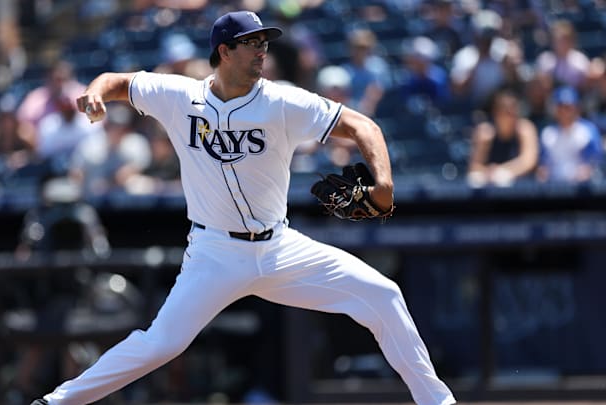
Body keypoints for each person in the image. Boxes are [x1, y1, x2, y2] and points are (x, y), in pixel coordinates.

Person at [31, 10, 456, 405]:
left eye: (264, 42)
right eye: (251, 42)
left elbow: (362, 125)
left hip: (280, 249)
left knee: (383, 295)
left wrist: (383, 181)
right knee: (161, 344)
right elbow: (116, 81)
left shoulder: (283, 101)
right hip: (215, 254)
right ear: (224, 51)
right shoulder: (179, 95)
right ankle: (57, 402)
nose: (261, 50)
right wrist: (93, 94)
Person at [467, 88, 540, 187]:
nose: (510, 114)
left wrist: (501, 171)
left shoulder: (525, 129)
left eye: (513, 109)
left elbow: (528, 162)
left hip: (521, 186)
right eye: (504, 110)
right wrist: (489, 172)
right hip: (490, 183)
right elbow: (474, 167)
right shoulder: (485, 132)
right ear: (495, 112)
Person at [536, 85, 603, 183]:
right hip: (553, 188)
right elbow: (542, 165)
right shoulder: (548, 133)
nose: (564, 112)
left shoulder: (588, 130)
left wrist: (589, 169)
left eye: (568, 107)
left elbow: (596, 161)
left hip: (581, 189)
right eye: (561, 107)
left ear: (577, 108)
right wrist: (542, 172)